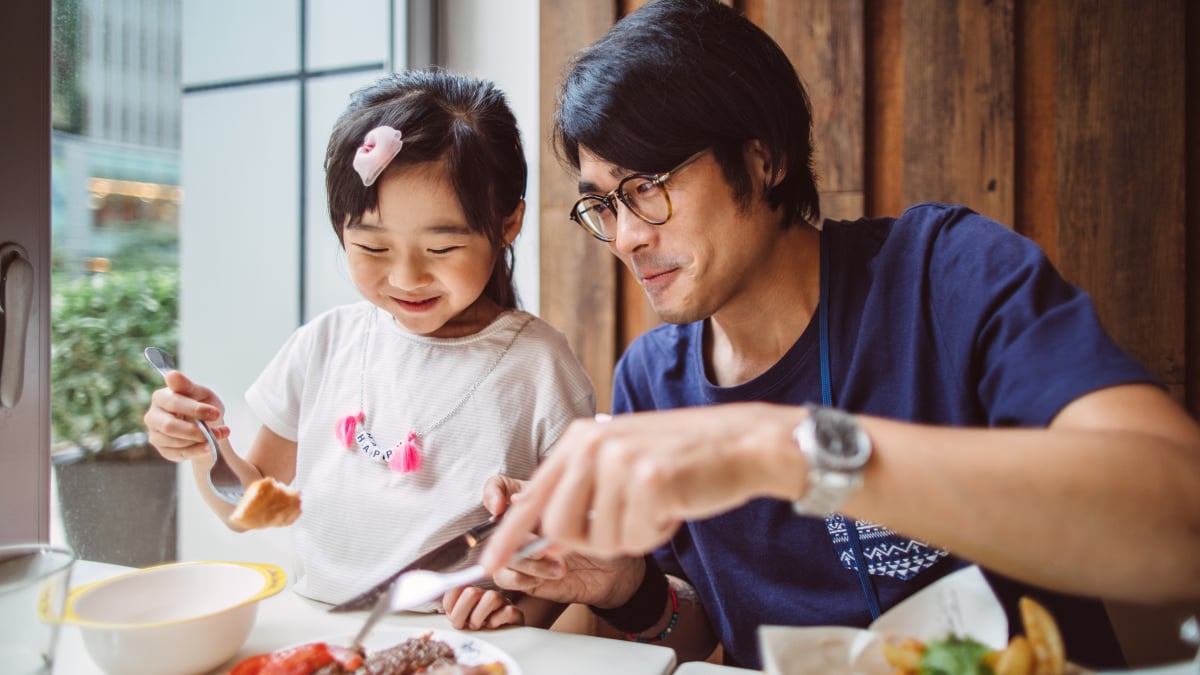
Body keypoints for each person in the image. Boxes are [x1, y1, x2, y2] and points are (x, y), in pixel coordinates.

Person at [478, 0, 1200, 668]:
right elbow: (698, 636)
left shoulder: (942, 274)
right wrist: (626, 589)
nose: (627, 236)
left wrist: (779, 448)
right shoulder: (654, 379)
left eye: (647, 187)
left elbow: (1180, 517)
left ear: (764, 160)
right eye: (601, 205)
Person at [143, 69, 595, 630]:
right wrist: (202, 446)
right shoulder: (325, 345)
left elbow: (571, 543)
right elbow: (248, 506)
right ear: (340, 231)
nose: (407, 276)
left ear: (508, 224)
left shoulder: (540, 369)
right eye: (372, 246)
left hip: (454, 640)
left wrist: (517, 610)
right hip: (316, 625)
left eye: (441, 245)